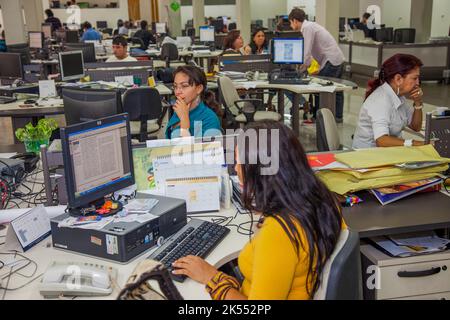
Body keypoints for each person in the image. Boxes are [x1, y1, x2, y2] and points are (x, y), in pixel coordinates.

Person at [171, 120, 345, 300]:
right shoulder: (323, 200)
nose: (236, 168)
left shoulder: (279, 232)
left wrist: (211, 277)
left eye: (240, 163)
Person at [353, 54, 424, 149]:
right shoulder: (381, 100)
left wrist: (418, 103)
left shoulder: (399, 96)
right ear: (398, 79)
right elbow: (381, 140)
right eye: (414, 78)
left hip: (388, 153)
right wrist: (414, 143)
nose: (417, 83)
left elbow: (416, 126)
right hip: (369, 156)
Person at [289, 8, 346, 122]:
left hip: (331, 61)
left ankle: (320, 118)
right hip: (336, 59)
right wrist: (306, 65)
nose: (290, 25)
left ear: (295, 20)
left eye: (290, 22)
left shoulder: (307, 28)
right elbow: (309, 55)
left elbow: (307, 51)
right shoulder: (310, 26)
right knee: (337, 90)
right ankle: (338, 117)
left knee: (320, 89)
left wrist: (302, 68)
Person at [166, 66, 222, 139]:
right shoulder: (181, 109)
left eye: (184, 86)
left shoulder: (209, 119)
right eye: (175, 86)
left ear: (199, 89)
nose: (177, 92)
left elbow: (191, 149)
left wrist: (184, 121)